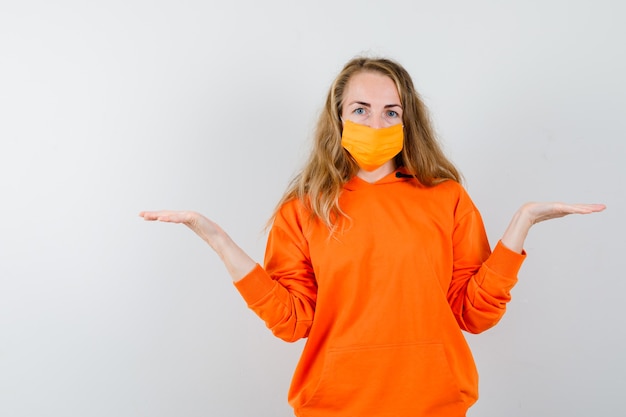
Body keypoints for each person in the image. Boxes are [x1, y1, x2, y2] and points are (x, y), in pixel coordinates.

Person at [140, 57, 605, 417]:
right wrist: (218, 239)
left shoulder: (446, 198)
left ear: (407, 120)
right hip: (334, 407)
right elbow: (292, 322)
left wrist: (520, 225)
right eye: (360, 110)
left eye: (390, 111)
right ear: (339, 117)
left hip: (435, 405)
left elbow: (472, 313)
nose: (375, 124)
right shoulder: (304, 208)